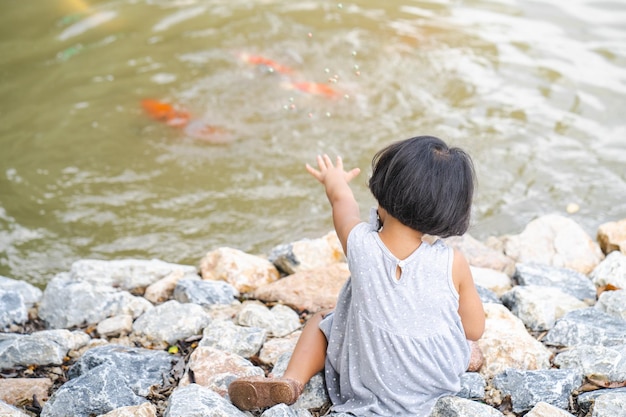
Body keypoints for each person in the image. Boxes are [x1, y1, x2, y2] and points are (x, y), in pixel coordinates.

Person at [228, 135, 486, 416]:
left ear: (384, 188)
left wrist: (334, 180)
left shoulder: (360, 243)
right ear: (450, 209)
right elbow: (474, 330)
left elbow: (342, 203)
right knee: (456, 337)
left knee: (323, 322)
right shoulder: (453, 262)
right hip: (435, 385)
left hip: (369, 383)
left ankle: (291, 382)